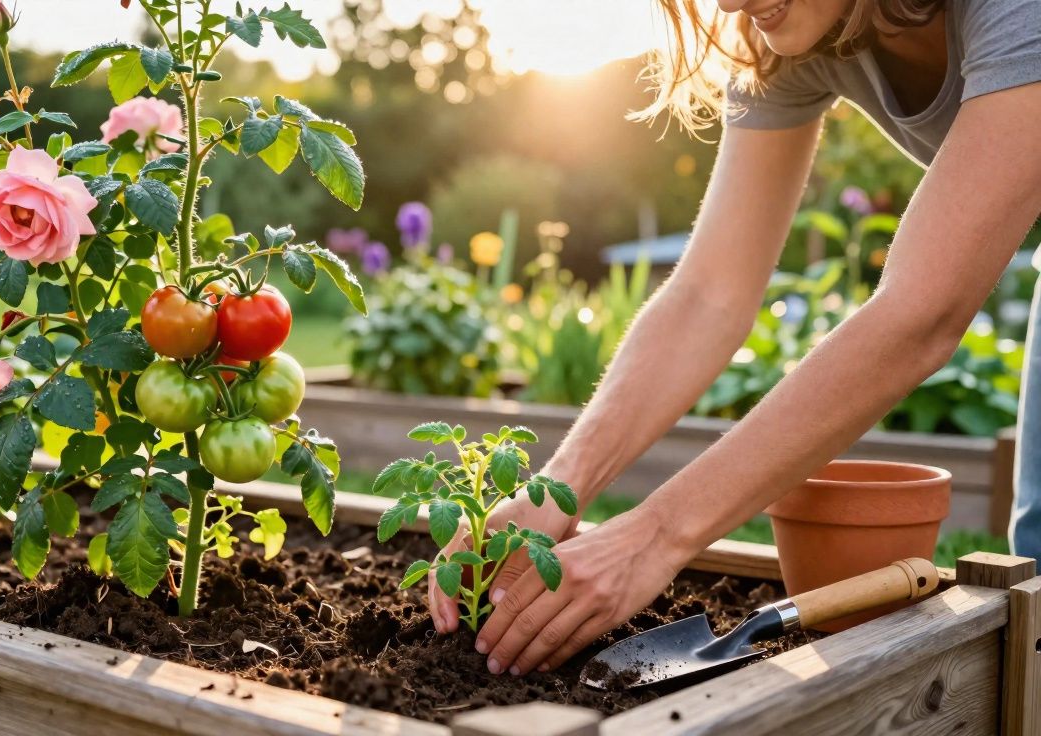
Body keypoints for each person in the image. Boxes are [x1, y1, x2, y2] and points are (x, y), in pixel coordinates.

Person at [428, 0, 1041, 677]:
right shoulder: (790, 35)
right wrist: (558, 488)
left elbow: (920, 314)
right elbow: (709, 293)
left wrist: (655, 536)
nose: (727, 4)